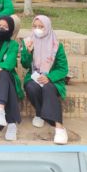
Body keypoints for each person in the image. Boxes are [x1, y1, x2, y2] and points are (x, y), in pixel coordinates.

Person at [20, 15, 69, 145]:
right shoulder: (29, 41)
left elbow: (63, 69)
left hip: (51, 78)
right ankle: (39, 113)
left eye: (41, 27)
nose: (37, 29)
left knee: (48, 87)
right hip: (34, 76)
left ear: (47, 27)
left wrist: (49, 77)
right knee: (31, 87)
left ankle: (59, 127)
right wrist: (28, 52)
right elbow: (24, 64)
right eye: (35, 26)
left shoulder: (56, 45)